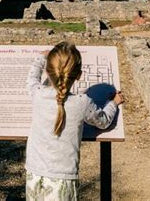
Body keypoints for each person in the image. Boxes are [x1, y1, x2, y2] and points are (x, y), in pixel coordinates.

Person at [25, 41, 124, 200]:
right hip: (64, 177)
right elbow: (103, 121)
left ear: (48, 70)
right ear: (78, 75)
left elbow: (31, 80)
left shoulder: (38, 93)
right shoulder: (82, 102)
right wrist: (113, 103)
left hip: (34, 172)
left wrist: (41, 59)